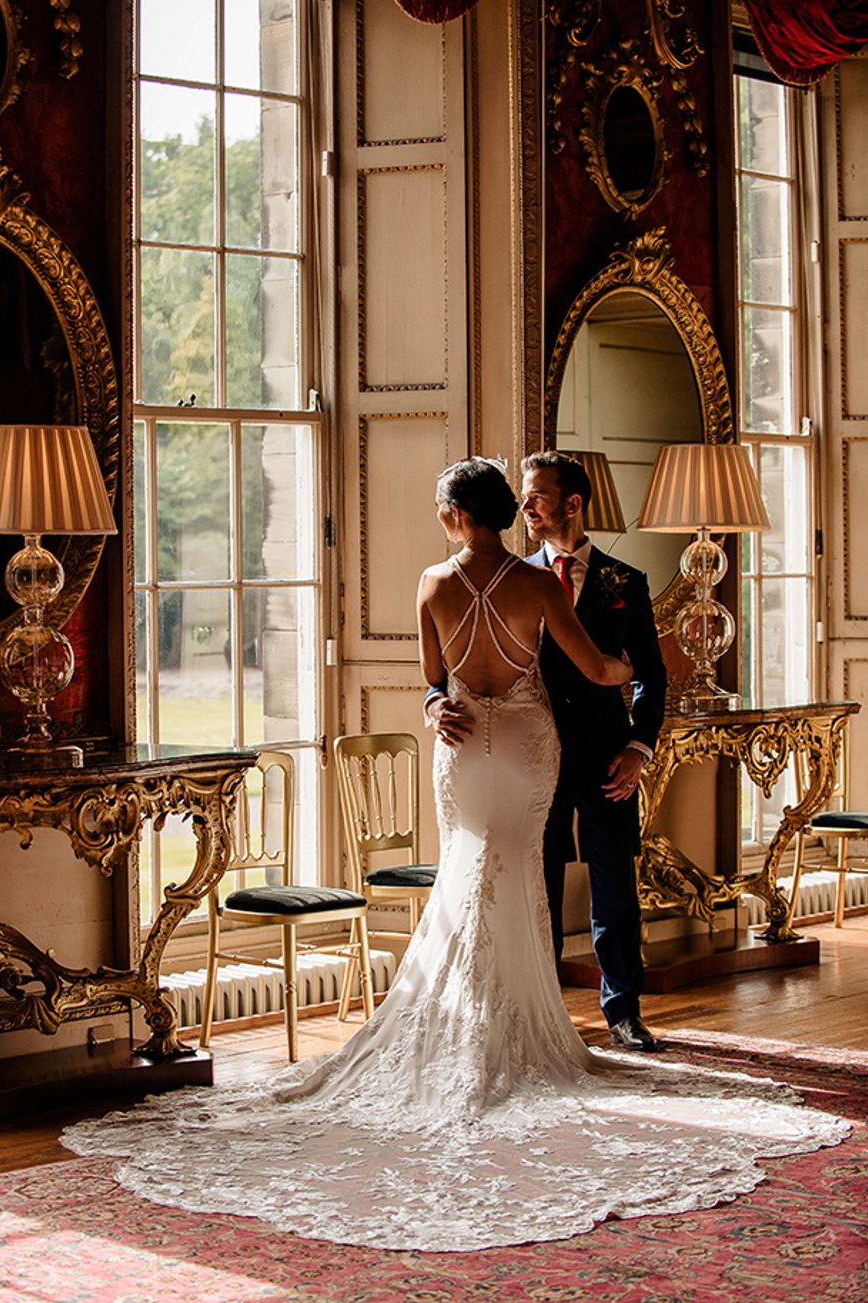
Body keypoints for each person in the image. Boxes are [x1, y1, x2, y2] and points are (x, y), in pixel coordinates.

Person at [61, 460, 847, 1253]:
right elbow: (597, 667)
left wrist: (448, 703)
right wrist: (638, 666)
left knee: (474, 875)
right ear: (509, 513)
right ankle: (519, 1030)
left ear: (452, 515)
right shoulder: (537, 586)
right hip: (528, 745)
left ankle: (514, 1020)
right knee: (515, 877)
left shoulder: (431, 583)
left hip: (466, 749)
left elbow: (433, 681)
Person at [427, 451, 667, 1052]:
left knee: (616, 883)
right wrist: (436, 707)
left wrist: (638, 746)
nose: (526, 505)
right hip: (531, 757)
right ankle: (545, 1014)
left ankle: (624, 1013)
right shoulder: (516, 575)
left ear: (573, 503)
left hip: (608, 757)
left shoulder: (625, 583)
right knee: (539, 885)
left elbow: (652, 678)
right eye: (522, 496)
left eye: (537, 495)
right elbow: (441, 678)